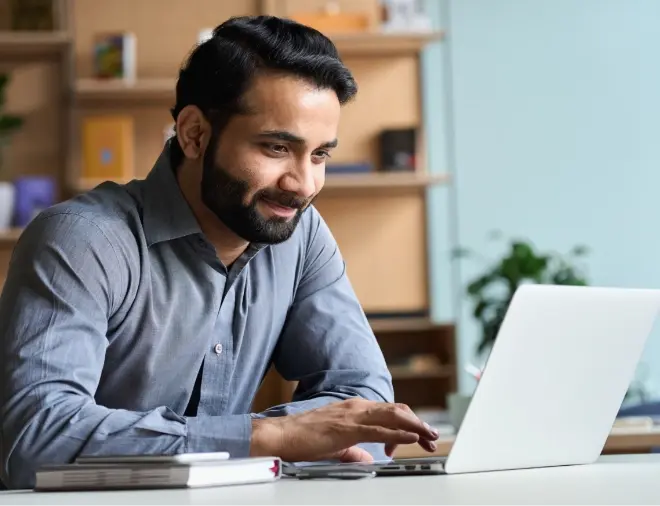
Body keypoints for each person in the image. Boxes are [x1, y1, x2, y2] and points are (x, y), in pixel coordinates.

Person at [0, 15, 438, 489]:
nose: (304, 185)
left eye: (319, 155)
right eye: (275, 147)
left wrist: (284, 438)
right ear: (193, 134)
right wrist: (268, 436)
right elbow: (35, 441)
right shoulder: (82, 240)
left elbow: (365, 400)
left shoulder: (302, 234)